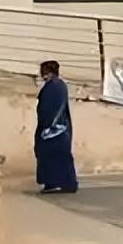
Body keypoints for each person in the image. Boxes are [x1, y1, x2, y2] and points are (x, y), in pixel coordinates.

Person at [33, 60, 78, 195]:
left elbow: (50, 108)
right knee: (59, 155)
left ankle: (55, 183)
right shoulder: (58, 85)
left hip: (53, 129)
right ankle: (63, 183)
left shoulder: (54, 86)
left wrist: (47, 125)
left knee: (52, 155)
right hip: (59, 128)